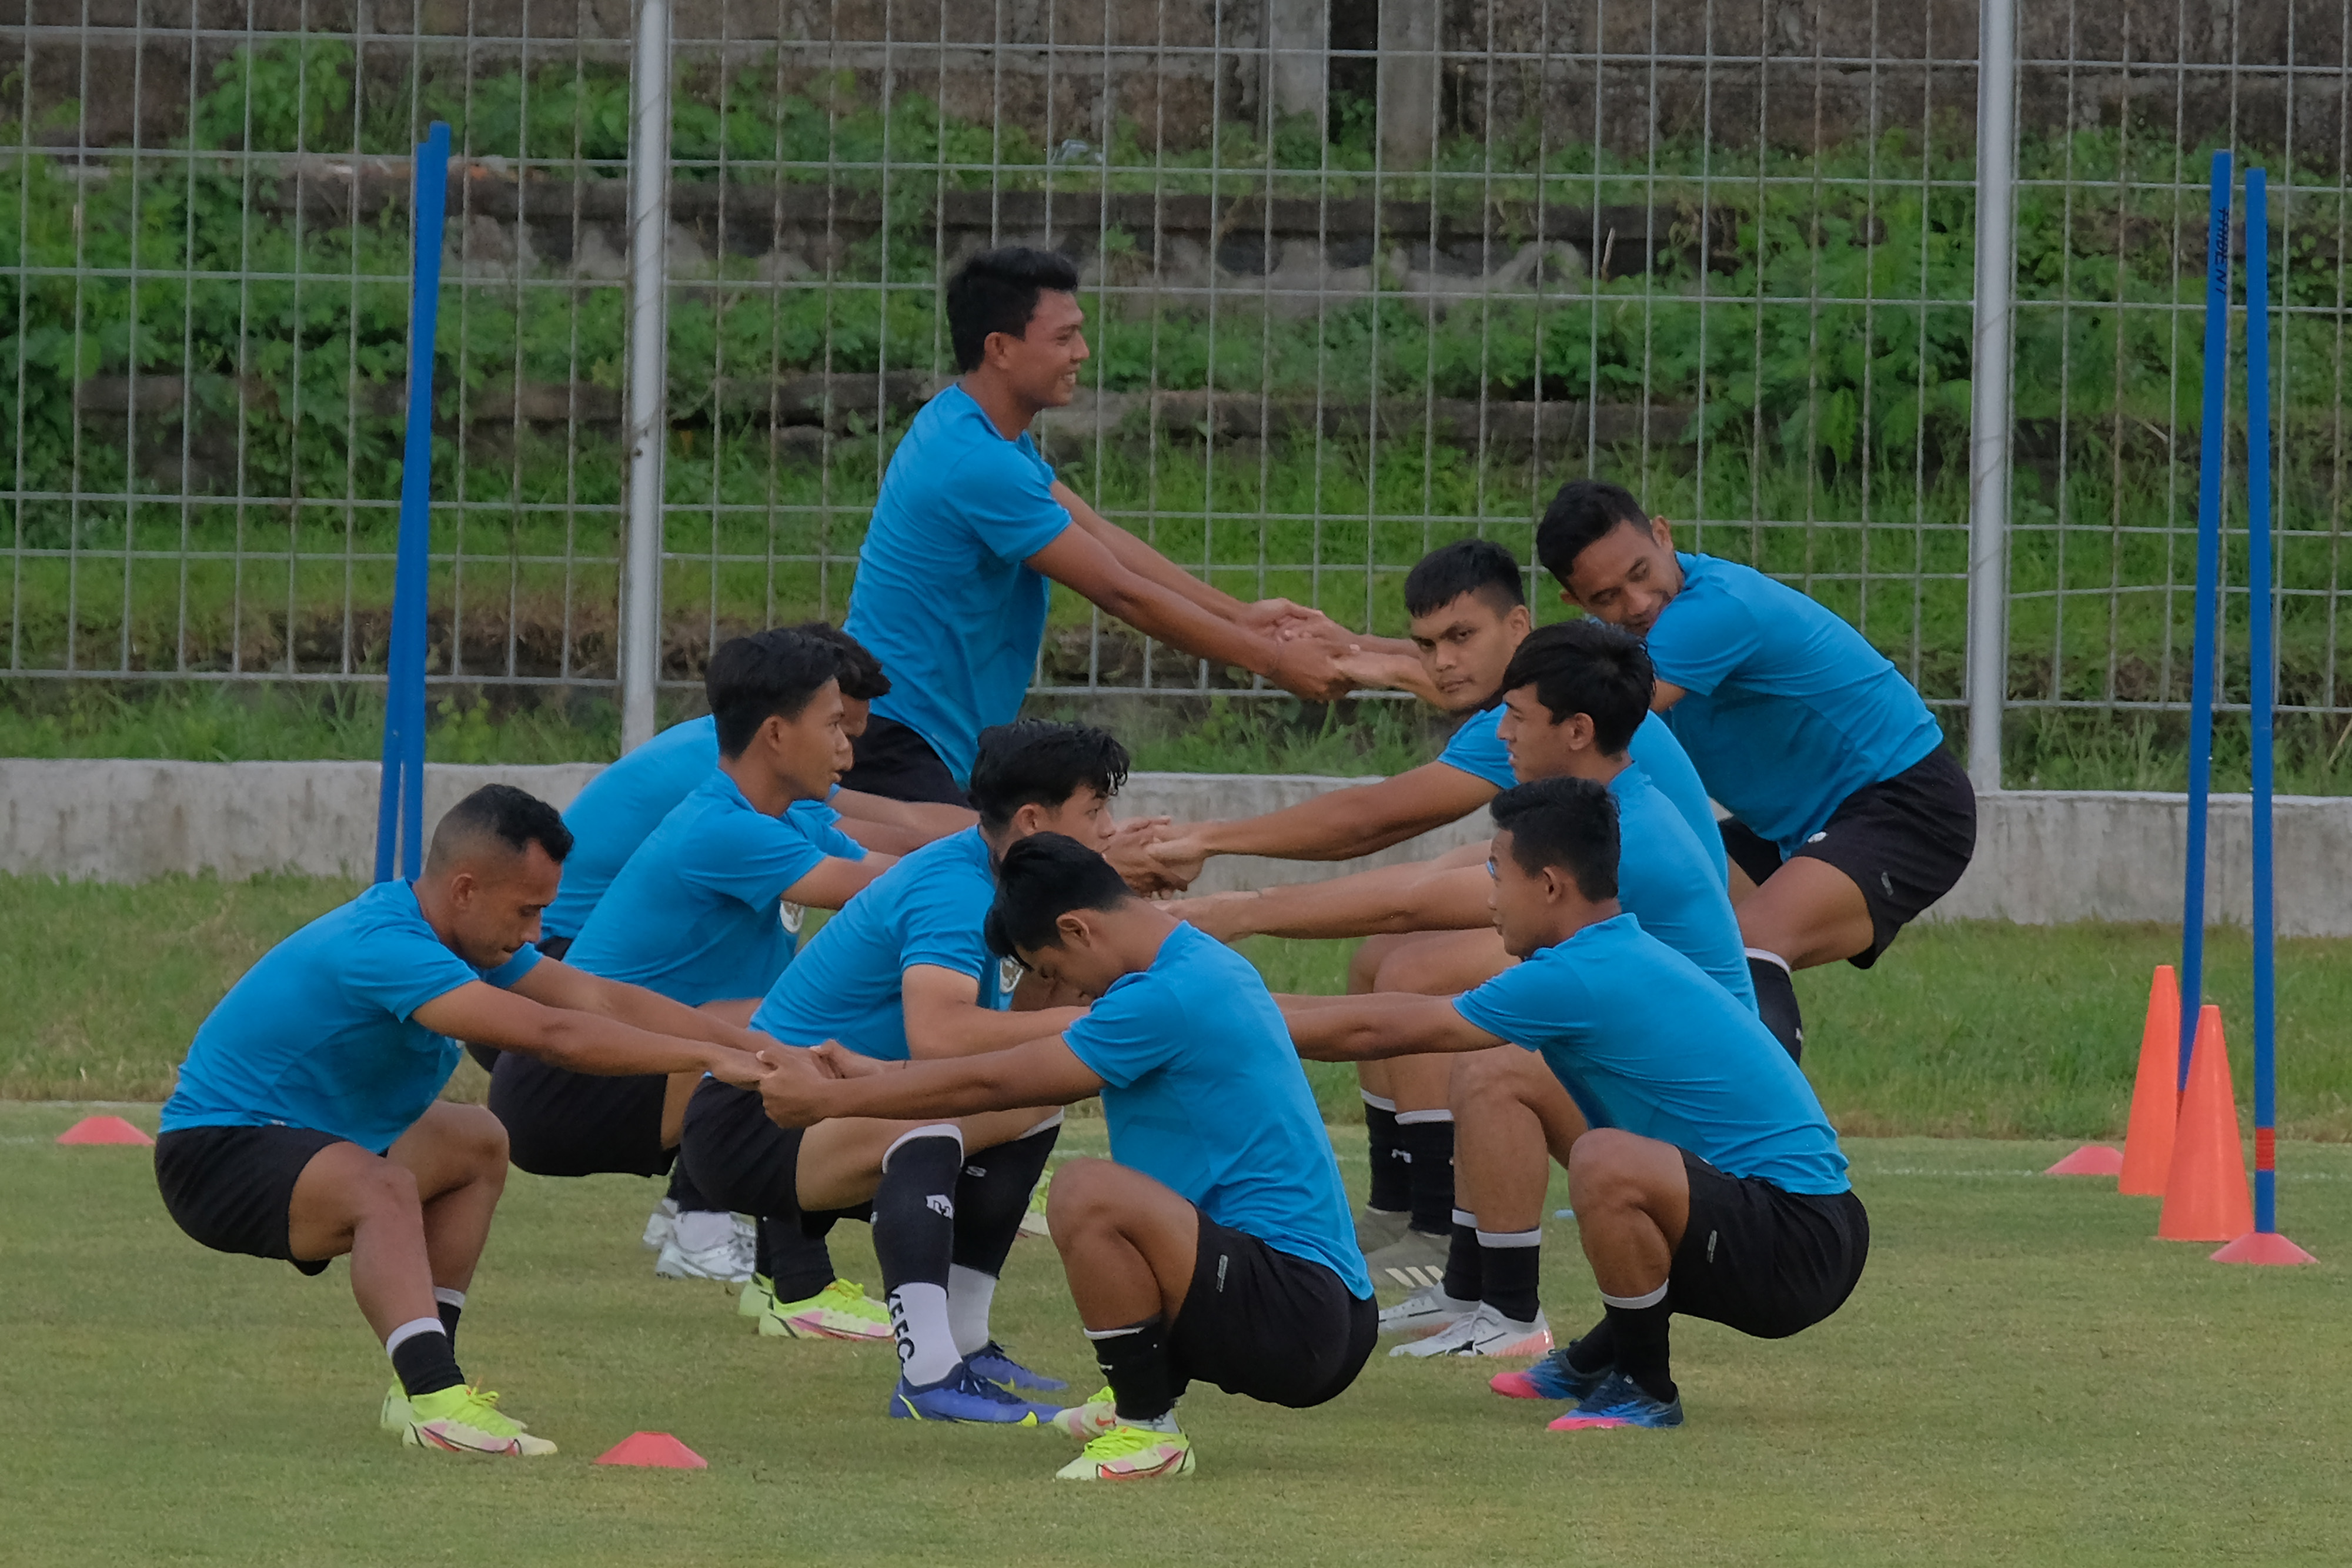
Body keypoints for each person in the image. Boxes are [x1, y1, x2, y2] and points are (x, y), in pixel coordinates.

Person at [1142, 540, 1720, 1284]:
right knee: (1379, 961)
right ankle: (1400, 1209)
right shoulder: (1557, 715)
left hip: (1672, 1033)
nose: (1441, 663)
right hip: (1646, 991)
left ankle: (1437, 1232)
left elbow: (1374, 825)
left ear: (1518, 628)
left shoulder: (1542, 726)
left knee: (1419, 978)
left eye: (1460, 638)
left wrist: (1227, 880)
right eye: (1424, 646)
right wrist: (1365, 656)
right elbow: (1438, 871)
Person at [153, 785, 773, 1457]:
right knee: (382, 1187)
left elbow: (598, 998)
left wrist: (762, 1048)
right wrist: (707, 1058)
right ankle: (437, 1401)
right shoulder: (390, 946)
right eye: (527, 910)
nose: (535, 933)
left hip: (319, 1140)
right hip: (215, 1154)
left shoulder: (463, 940)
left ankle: (421, 1382)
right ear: (466, 890)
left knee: (476, 1142)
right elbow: (555, 1035)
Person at [756, 833, 1377, 1482]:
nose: (1062, 988)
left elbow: (997, 1083)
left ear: (1077, 929)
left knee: (1085, 1191)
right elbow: (1005, 1069)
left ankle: (1148, 1430)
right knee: (1130, 1195)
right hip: (1323, 1309)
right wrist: (876, 1075)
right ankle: (1139, 1395)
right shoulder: (1196, 964)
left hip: (1298, 1314)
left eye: (1050, 971)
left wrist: (834, 1101)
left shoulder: (1162, 997)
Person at [1276, 778, 1867, 1432]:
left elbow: (1384, 1030)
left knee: (1603, 1159)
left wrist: (1239, 1013)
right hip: (1792, 1222)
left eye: (1497, 874)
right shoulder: (1600, 953)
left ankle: (1643, 1386)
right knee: (1508, 1072)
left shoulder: (1581, 974)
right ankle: (1592, 1353)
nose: (1490, 897)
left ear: (1551, 886)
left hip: (1800, 1242)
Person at [677, 721, 1140, 1413]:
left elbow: (1017, 1035)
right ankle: (928, 1378)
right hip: (751, 1120)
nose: (1109, 829)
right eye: (1095, 810)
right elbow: (941, 1038)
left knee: (1035, 1100)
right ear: (1032, 821)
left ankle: (965, 1342)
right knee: (930, 1120)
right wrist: (1109, 1020)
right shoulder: (955, 889)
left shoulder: (1014, 881)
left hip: (837, 1100)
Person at [838, 245, 1354, 807]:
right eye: (1064, 338)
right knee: (981, 863)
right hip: (899, 734)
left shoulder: (971, 426)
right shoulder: (977, 461)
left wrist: (1239, 615)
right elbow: (1120, 592)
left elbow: (1101, 538)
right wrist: (1273, 662)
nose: (1082, 352)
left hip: (918, 731)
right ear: (1000, 348)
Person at [489, 631, 894, 1332]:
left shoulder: (789, 817)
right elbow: (880, 893)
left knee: (789, 1030)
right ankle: (793, 1285)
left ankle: (775, 1273)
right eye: (833, 725)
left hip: (641, 1058)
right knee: (789, 1031)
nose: (847, 749)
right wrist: (1031, 868)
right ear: (776, 734)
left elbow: (896, 869)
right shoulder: (721, 828)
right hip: (559, 1088)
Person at [1534, 479, 1977, 1055]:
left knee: (1747, 944)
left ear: (1663, 535)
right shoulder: (1617, 644)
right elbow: (1544, 708)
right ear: (1576, 601)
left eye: (1641, 573)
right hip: (1793, 825)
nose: (1637, 603)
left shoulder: (1717, 608)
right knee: (1640, 926)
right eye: (1607, 596)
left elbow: (1590, 720)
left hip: (1905, 804)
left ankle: (1768, 1116)